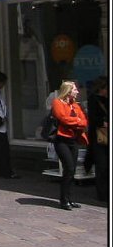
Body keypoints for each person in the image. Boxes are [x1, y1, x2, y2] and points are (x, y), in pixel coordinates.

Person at [51, 80, 89, 210]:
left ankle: (69, 199)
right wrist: (77, 121)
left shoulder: (75, 105)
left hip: (74, 140)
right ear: (68, 91)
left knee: (72, 171)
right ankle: (63, 200)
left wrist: (77, 121)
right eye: (75, 89)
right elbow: (63, 119)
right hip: (62, 140)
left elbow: (84, 121)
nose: (77, 91)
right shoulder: (57, 102)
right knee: (69, 168)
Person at [85, 76, 108, 202]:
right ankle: (102, 193)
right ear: (101, 88)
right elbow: (93, 118)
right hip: (99, 137)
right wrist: (104, 123)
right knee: (102, 165)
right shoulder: (94, 100)